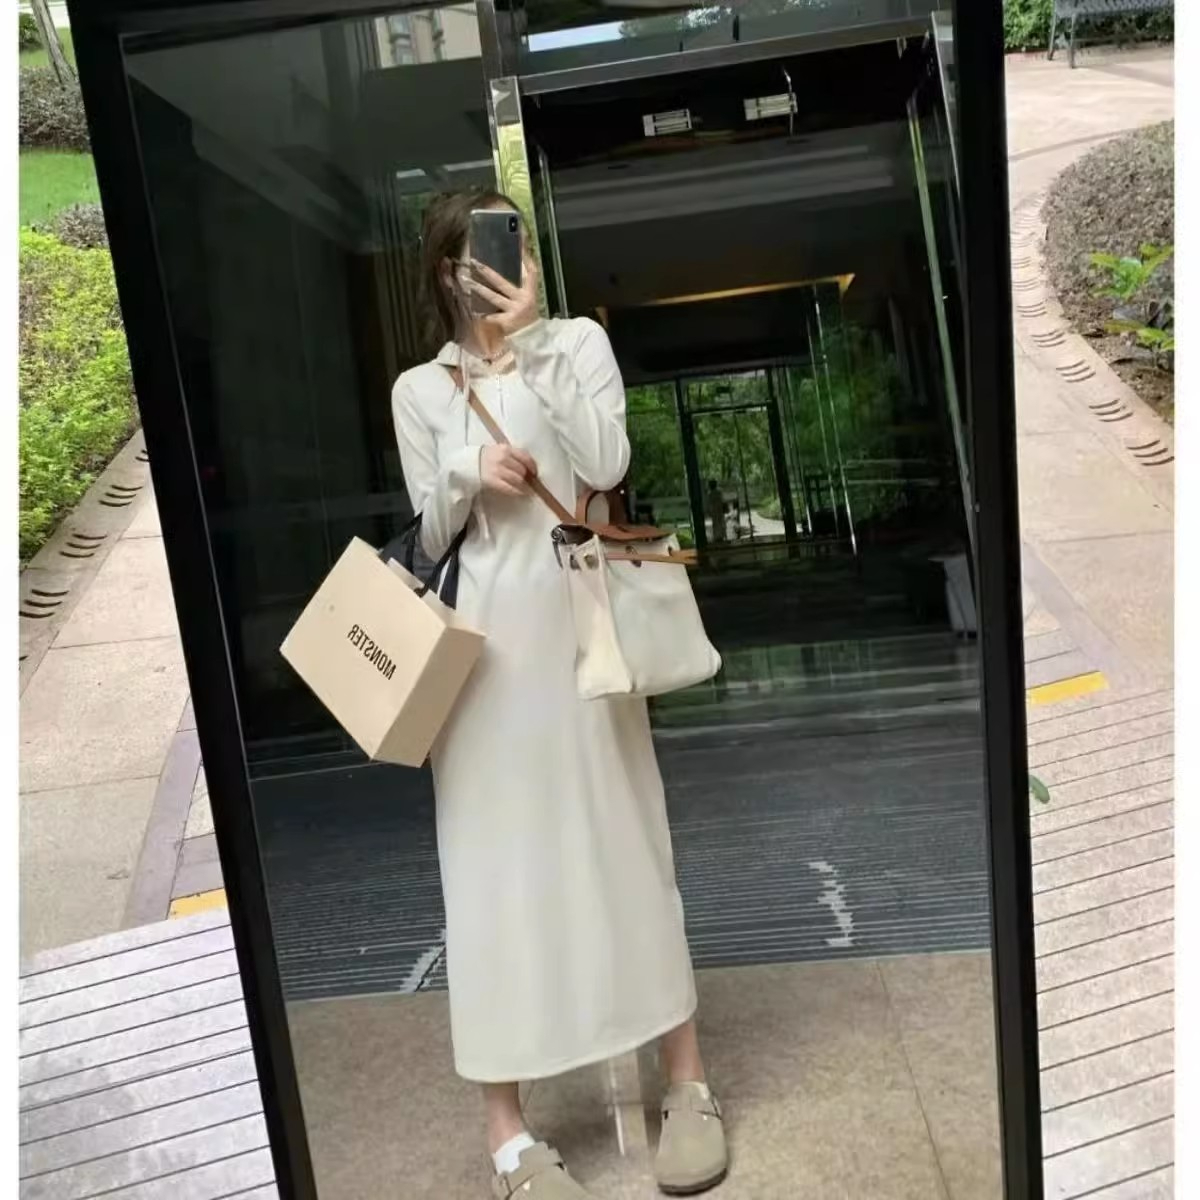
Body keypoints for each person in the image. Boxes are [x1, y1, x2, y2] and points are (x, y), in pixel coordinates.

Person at [391, 189, 728, 1199]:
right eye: (478, 252)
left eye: (513, 243)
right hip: (481, 669)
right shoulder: (421, 390)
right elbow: (431, 530)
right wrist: (466, 469)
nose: (502, 265)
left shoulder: (576, 343)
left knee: (629, 841)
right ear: (446, 273)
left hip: (586, 642)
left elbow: (607, 463)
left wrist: (533, 342)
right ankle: (508, 1136)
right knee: (489, 876)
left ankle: (687, 1085)